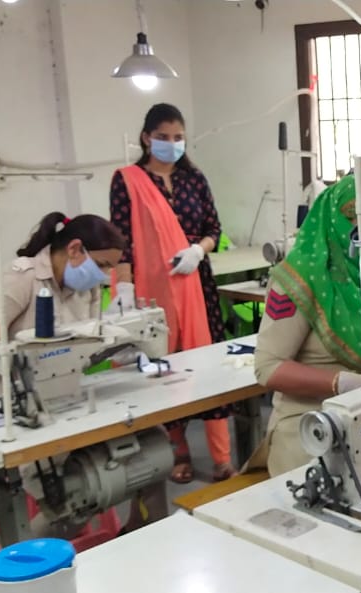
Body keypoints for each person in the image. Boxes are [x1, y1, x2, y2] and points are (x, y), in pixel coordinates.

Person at [0, 212, 168, 535]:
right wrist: (32, 360)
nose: (104, 276)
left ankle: (142, 537)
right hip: (23, 411)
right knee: (78, 489)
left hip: (69, 397)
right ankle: (29, 565)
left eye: (110, 269)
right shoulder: (20, 280)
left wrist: (124, 345)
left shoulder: (84, 289)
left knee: (155, 445)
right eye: (101, 265)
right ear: (75, 250)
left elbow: (83, 348)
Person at [109, 103, 234, 484]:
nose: (171, 144)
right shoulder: (127, 180)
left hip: (196, 282)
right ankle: (177, 451)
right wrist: (126, 290)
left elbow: (213, 227)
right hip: (152, 287)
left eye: (178, 137)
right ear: (146, 137)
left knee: (206, 364)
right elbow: (121, 238)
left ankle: (222, 455)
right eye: (163, 137)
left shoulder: (194, 178)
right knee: (166, 367)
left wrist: (199, 251)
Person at [247, 175, 361, 476]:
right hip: (309, 426)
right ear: (337, 221)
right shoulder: (298, 279)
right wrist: (340, 383)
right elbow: (268, 367)